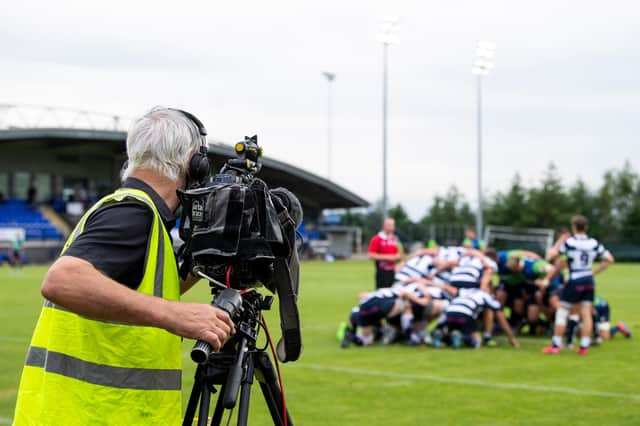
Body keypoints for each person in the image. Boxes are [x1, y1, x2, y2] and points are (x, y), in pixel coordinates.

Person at [13, 107, 236, 425]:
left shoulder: (138, 214)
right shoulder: (134, 213)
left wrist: (213, 254)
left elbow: (144, 284)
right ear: (193, 162)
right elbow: (63, 281)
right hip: (92, 415)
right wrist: (174, 315)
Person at [543, 215, 614, 355]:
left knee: (562, 312)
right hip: (588, 279)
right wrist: (593, 272)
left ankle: (556, 346)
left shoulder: (570, 242)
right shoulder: (594, 243)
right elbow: (609, 259)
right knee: (586, 313)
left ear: (573, 227)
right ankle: (583, 347)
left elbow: (551, 256)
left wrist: (560, 241)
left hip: (574, 278)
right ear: (586, 227)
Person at [432, 288, 519, 349]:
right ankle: (462, 338)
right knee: (476, 341)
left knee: (452, 329)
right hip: (465, 314)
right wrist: (511, 338)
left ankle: (443, 337)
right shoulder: (486, 296)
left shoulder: (464, 292)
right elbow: (500, 316)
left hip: (449, 313)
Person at [368, 217, 403, 289]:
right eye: (389, 225)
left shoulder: (396, 239)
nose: (391, 227)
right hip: (381, 272)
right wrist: (389, 258)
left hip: (394, 271)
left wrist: (398, 258)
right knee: (381, 292)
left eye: (392, 225)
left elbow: (400, 254)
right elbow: (371, 255)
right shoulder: (377, 239)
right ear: (384, 226)